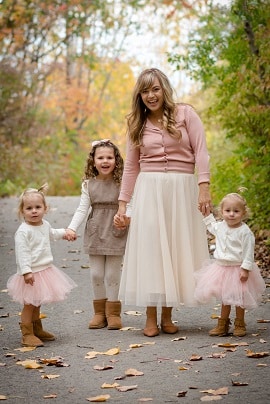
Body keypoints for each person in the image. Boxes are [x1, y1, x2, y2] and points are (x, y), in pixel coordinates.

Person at [113, 68, 211, 337]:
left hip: (181, 189)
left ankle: (168, 314)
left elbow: (201, 151)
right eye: (145, 91)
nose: (150, 95)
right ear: (139, 95)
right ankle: (150, 317)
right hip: (149, 190)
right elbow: (131, 167)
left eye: (155, 89)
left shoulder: (186, 114)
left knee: (175, 249)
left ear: (164, 89)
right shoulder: (137, 123)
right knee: (152, 250)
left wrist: (204, 187)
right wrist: (123, 204)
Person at [66, 139, 129, 330]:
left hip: (116, 229)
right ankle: (99, 313)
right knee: (96, 274)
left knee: (112, 273)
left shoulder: (122, 183)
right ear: (93, 161)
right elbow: (81, 209)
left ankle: (113, 313)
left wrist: (127, 218)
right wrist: (71, 228)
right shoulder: (88, 184)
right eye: (100, 157)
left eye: (109, 157)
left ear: (116, 161)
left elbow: (131, 205)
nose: (105, 161)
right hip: (95, 231)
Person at [7, 184, 77, 347]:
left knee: (37, 302)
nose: (34, 211)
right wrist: (26, 272)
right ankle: (27, 334)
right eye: (29, 208)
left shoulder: (44, 224)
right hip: (31, 272)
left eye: (38, 207)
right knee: (29, 304)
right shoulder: (24, 231)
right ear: (22, 211)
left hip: (44, 270)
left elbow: (52, 233)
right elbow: (22, 253)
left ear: (45, 208)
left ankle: (37, 329)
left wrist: (65, 233)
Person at [194, 192, 266, 337]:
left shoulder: (245, 232)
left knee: (240, 298)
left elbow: (248, 252)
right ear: (222, 212)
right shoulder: (220, 226)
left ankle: (240, 323)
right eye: (228, 211)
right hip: (221, 269)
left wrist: (246, 268)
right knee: (225, 298)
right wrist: (206, 214)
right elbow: (211, 226)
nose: (231, 214)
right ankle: (223, 324)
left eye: (236, 211)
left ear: (243, 213)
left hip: (238, 269)